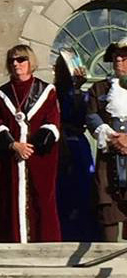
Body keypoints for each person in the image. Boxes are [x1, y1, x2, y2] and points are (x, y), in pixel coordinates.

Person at [0, 44, 61, 243]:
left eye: (21, 59)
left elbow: (52, 123)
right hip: (11, 160)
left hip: (39, 159)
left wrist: (30, 146)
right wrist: (14, 145)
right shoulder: (1, 95)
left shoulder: (47, 92)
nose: (16, 64)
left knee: (41, 203)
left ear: (30, 62)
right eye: (12, 60)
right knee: (10, 205)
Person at [53, 54, 101, 242]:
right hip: (61, 144)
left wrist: (78, 88)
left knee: (83, 188)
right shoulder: (53, 91)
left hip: (77, 144)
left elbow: (84, 115)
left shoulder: (80, 93)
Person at [86, 37, 127, 242]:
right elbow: (91, 116)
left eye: (124, 56)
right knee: (108, 216)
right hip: (108, 163)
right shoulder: (99, 88)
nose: (119, 60)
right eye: (116, 56)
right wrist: (114, 139)